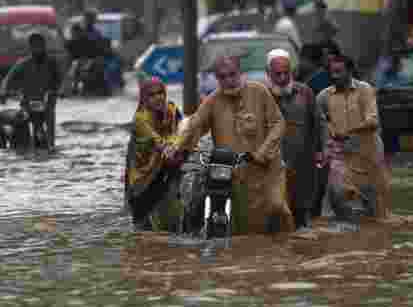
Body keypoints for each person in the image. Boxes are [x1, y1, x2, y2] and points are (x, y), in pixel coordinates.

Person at [165, 55, 294, 234]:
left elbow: (278, 123)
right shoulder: (212, 101)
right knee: (245, 227)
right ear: (217, 79)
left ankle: (289, 247)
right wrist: (176, 147)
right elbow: (194, 126)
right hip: (236, 173)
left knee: (277, 207)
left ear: (240, 72)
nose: (228, 80)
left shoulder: (259, 91)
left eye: (232, 74)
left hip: (268, 169)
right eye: (222, 77)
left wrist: (262, 153)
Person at [317, 55, 391, 223]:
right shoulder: (323, 97)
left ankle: (369, 232)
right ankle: (346, 230)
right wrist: (324, 146)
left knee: (377, 213)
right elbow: (320, 124)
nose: (334, 76)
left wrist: (348, 131)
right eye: (332, 72)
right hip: (342, 157)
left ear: (350, 71)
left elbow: (373, 121)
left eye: (339, 72)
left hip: (369, 156)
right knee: (337, 193)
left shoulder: (365, 90)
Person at [265, 49, 322, 230]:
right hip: (272, 164)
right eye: (277, 74)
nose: (282, 78)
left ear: (292, 71)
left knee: (301, 211)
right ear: (268, 73)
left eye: (286, 73)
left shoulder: (305, 93)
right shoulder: (261, 95)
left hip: (302, 163)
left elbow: (318, 122)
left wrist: (321, 150)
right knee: (275, 209)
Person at [124, 77, 184, 230]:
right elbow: (157, 141)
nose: (158, 97)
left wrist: (178, 144)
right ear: (144, 98)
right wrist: (171, 146)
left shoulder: (172, 110)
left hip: (167, 163)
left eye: (160, 93)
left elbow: (183, 131)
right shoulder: (140, 118)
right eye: (152, 95)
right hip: (143, 173)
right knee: (141, 225)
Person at [0, 32, 63, 149]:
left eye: (39, 46)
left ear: (44, 46)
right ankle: (11, 137)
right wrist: (3, 92)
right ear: (30, 47)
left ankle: (51, 145)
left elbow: (61, 81)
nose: (37, 49)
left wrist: (60, 91)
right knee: (22, 134)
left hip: (47, 105)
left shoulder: (52, 64)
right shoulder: (23, 63)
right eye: (34, 46)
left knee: (50, 129)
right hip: (27, 104)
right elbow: (7, 78)